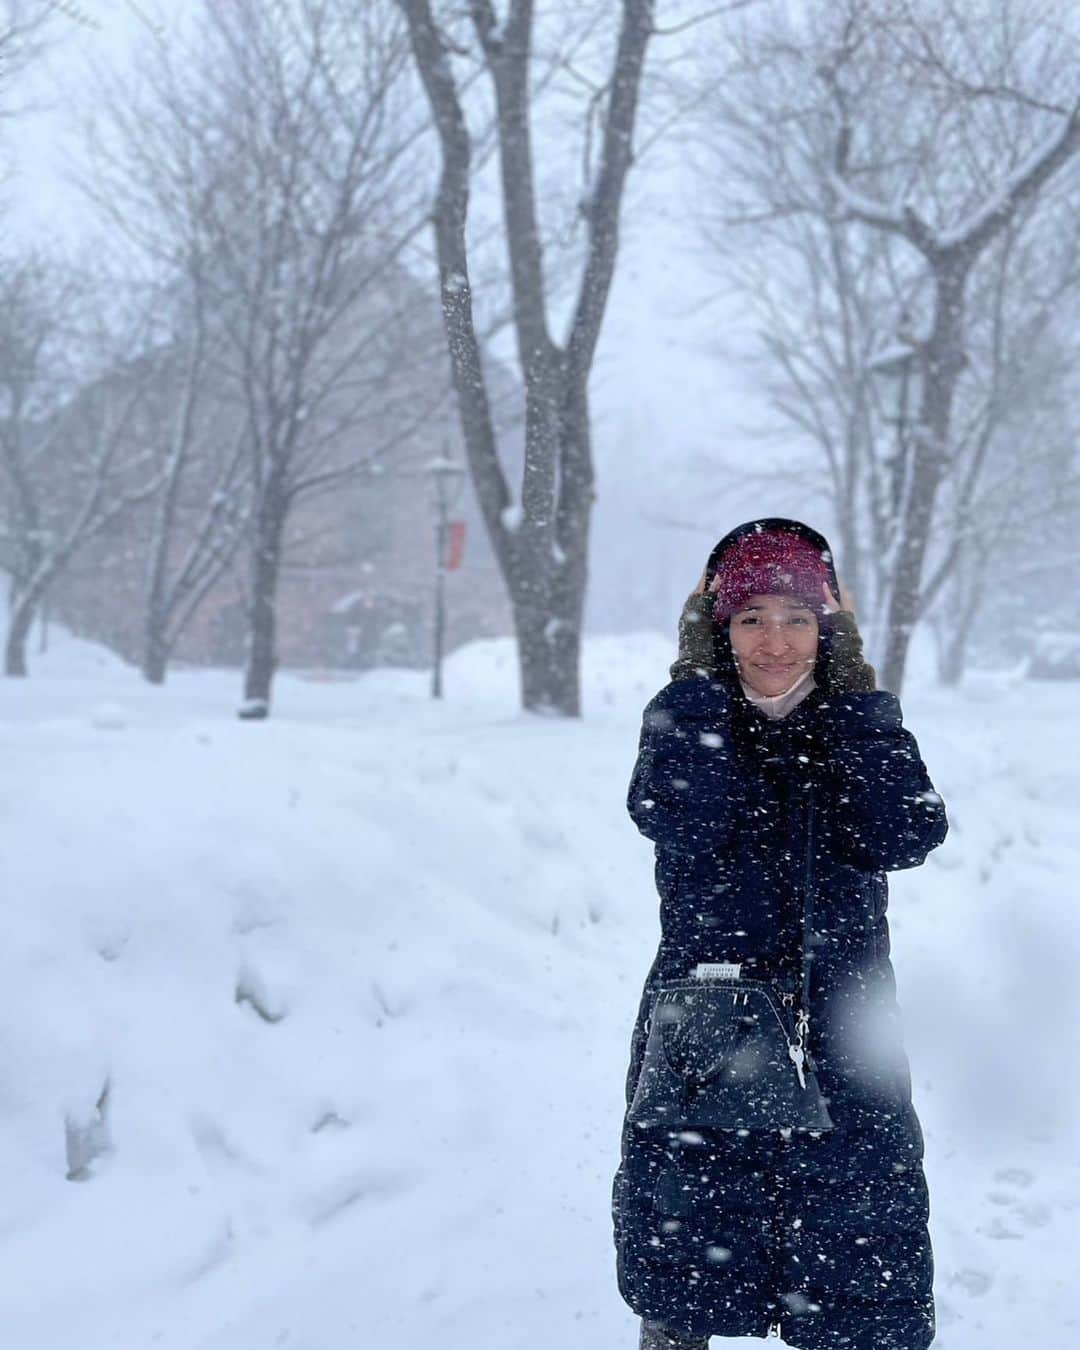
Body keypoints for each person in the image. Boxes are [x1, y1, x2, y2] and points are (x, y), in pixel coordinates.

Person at [611, 518, 948, 1350]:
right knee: (690, 1252)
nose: (775, 641)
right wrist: (695, 683)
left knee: (856, 1262)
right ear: (717, 627)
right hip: (709, 1024)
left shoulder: (854, 722)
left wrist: (857, 691)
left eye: (798, 618)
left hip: (843, 1029)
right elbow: (679, 819)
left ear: (826, 628)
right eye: (750, 617)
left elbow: (905, 832)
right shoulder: (687, 717)